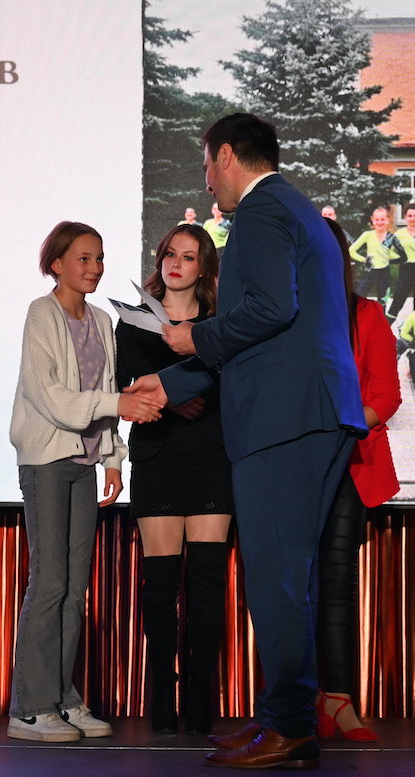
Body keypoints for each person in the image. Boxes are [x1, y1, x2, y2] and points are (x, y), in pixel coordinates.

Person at [125, 113, 366, 770]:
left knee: (277, 576)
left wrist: (192, 337)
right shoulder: (294, 209)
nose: (207, 181)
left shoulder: (262, 211)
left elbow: (266, 312)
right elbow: (267, 334)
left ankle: (289, 728)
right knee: (289, 574)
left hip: (286, 418)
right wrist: (167, 385)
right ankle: (283, 716)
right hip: (309, 410)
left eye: (206, 164)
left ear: (226, 155)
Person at [7, 221, 161, 743]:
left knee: (74, 590)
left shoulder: (99, 320)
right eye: (83, 258)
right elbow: (49, 396)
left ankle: (62, 699)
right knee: (50, 582)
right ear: (56, 264)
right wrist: (118, 405)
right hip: (48, 460)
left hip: (85, 461)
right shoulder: (41, 313)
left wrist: (113, 457)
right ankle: (30, 707)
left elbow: (106, 391)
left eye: (99, 258)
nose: (94, 268)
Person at [114, 224, 233, 734]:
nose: (176, 264)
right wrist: (169, 399)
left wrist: (183, 389)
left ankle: (200, 698)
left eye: (188, 256)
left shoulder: (221, 323)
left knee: (206, 585)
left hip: (212, 457)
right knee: (161, 586)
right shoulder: (132, 322)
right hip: (158, 457)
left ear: (204, 268)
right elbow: (122, 388)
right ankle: (162, 693)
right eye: (169, 254)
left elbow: (233, 382)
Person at [315, 218, 402, 742]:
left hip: (350, 462)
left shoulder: (366, 315)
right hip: (293, 468)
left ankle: (339, 699)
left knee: (336, 582)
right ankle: (294, 702)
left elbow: (387, 395)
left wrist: (340, 427)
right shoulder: (284, 318)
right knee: (292, 585)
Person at [348, 206, 397, 301]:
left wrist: (401, 259)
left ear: (387, 220)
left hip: (384, 272)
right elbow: (351, 251)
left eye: (382, 219)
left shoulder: (391, 237)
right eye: (377, 219)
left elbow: (390, 254)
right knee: (359, 298)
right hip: (369, 271)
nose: (379, 222)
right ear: (372, 220)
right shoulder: (367, 235)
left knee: (383, 300)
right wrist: (364, 260)